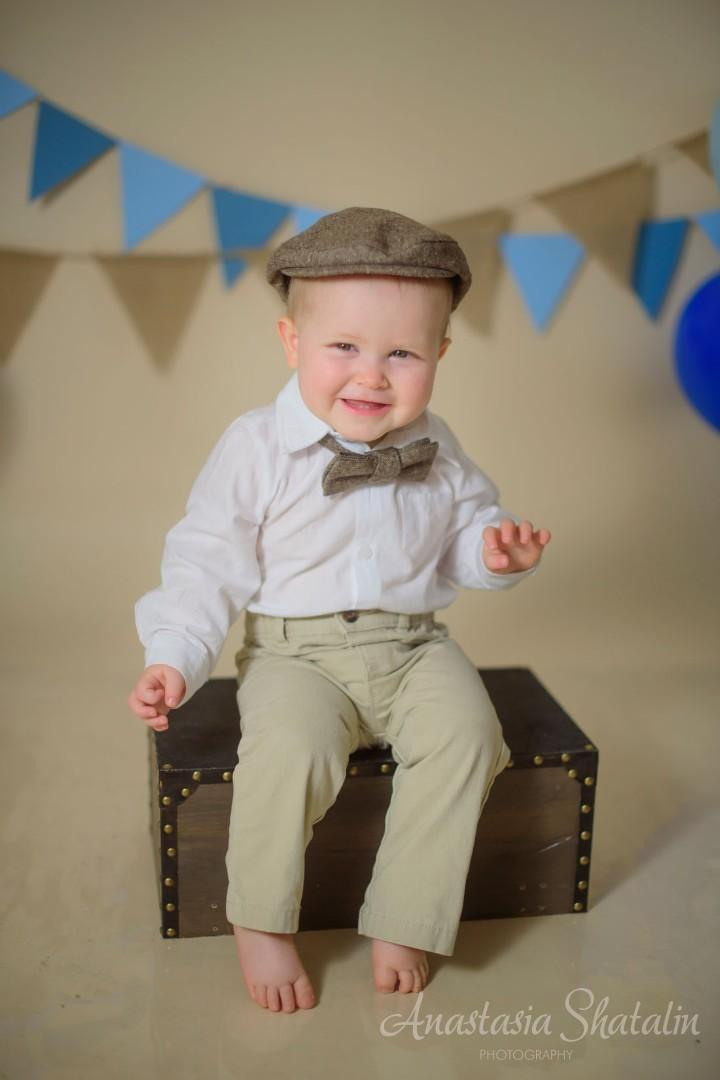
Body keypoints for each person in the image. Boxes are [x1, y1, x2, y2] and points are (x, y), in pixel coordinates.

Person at [128, 206, 551, 1015]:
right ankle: (260, 919)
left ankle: (404, 913)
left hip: (415, 646)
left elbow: (463, 534)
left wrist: (496, 555)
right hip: (296, 655)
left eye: (403, 353)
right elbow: (205, 561)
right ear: (292, 344)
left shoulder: (440, 446)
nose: (372, 375)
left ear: (440, 356)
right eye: (344, 348)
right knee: (288, 751)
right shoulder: (255, 448)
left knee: (470, 736)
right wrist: (173, 655)